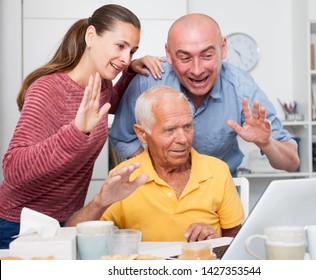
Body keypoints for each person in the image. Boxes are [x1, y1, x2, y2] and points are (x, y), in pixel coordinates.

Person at [0, 4, 165, 249]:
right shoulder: (47, 90)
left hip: (66, 223)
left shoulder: (103, 86)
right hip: (19, 226)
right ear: (91, 37)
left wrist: (130, 71)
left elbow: (111, 104)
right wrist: (76, 133)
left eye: (132, 50)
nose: (126, 57)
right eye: (120, 46)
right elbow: (12, 168)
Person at [109, 13, 300, 176]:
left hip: (218, 196)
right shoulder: (148, 80)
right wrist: (153, 174)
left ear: (223, 48)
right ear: (168, 53)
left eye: (207, 56)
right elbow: (122, 135)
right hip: (159, 194)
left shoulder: (242, 89)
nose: (197, 70)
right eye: (184, 58)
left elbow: (291, 163)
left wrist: (267, 144)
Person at [65, 86, 245, 242]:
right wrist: (99, 204)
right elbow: (71, 234)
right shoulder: (124, 176)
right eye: (170, 130)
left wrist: (215, 242)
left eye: (187, 126)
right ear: (142, 134)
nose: (183, 139)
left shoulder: (218, 171)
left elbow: (236, 239)